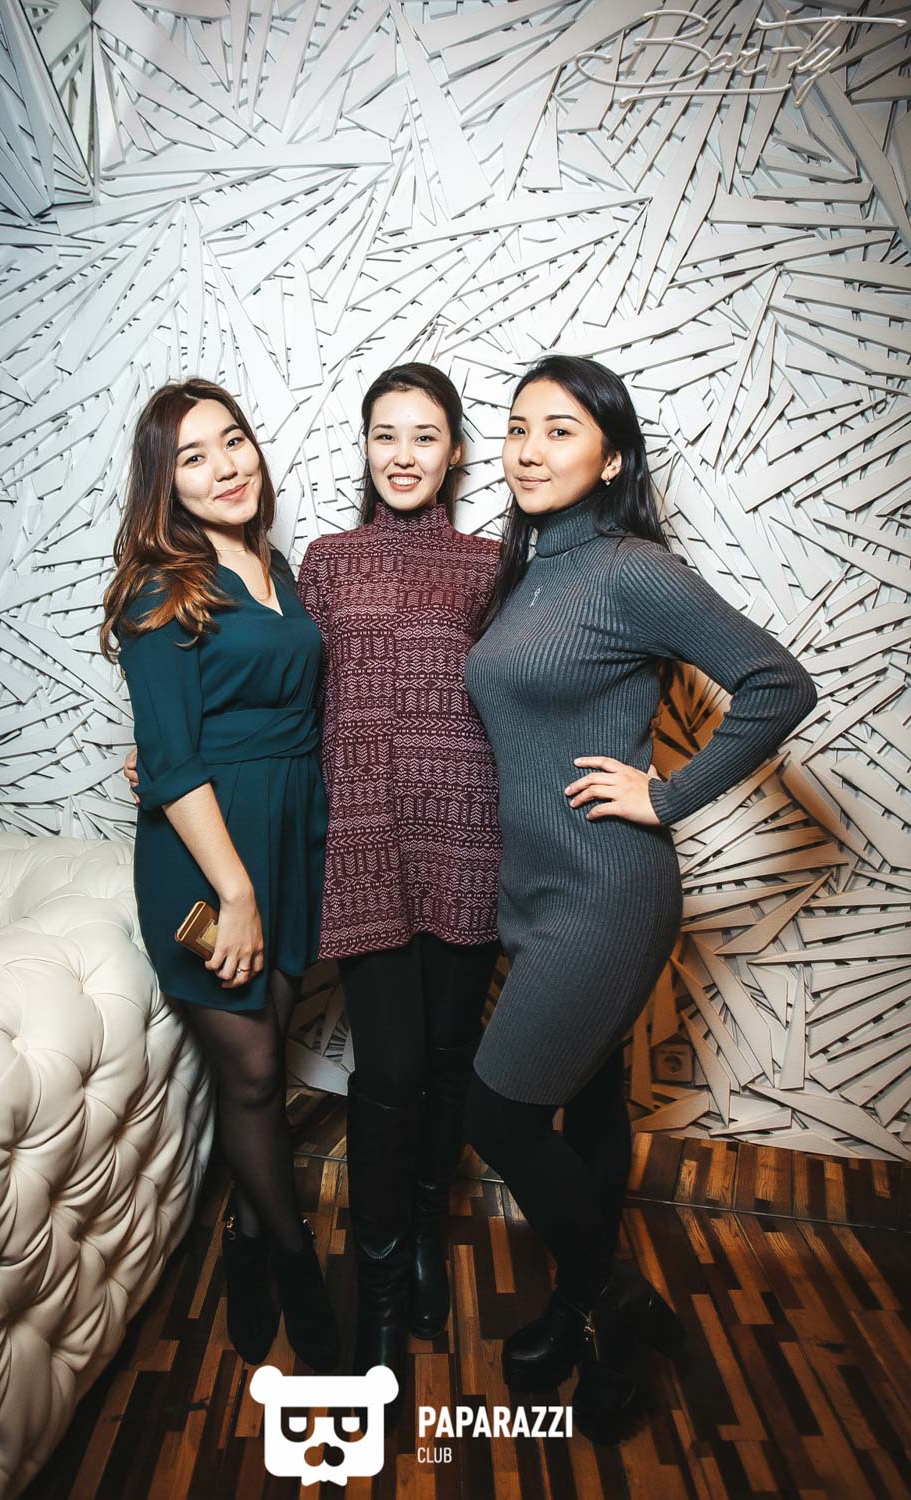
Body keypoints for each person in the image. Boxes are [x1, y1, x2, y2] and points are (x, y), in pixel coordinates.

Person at [463, 355, 817, 1443]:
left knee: (498, 1115)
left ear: (612, 458)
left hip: (606, 894)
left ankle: (614, 1304)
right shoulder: (527, 571)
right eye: (517, 427)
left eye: (559, 430)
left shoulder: (631, 571)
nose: (528, 450)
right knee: (590, 1108)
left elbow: (778, 684)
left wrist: (665, 796)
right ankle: (583, 1305)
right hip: (534, 894)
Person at [101, 378, 340, 1376]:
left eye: (233, 441)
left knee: (268, 1053)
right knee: (250, 1074)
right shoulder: (161, 589)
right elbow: (171, 758)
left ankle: (245, 1236)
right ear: (167, 485)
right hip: (208, 862)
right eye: (193, 457)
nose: (225, 467)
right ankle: (294, 1269)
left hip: (290, 835)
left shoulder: (275, 567)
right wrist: (235, 893)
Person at [296, 364, 502, 1420]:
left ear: (455, 451)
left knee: (449, 1059)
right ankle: (378, 1291)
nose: (405, 454)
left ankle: (424, 1237)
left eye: (425, 435)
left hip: (467, 841)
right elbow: (290, 695)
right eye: (386, 434)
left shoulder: (492, 565)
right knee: (386, 1074)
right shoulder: (326, 562)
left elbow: (530, 692)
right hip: (366, 846)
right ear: (366, 446)